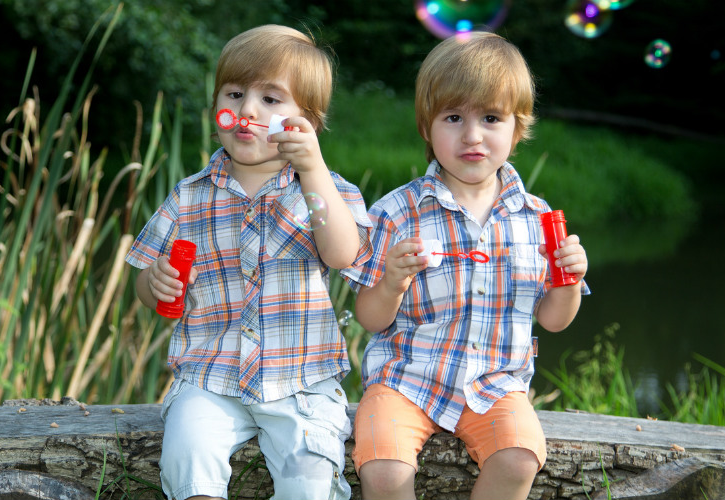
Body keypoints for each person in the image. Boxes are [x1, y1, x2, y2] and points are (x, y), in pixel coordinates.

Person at [125, 25, 372, 500]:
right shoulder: (190, 196)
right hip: (209, 377)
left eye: (271, 100)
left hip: (301, 379)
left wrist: (313, 168)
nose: (248, 111)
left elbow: (342, 253)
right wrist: (152, 282)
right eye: (235, 93)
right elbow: (143, 278)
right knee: (188, 457)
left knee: (311, 479)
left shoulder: (326, 191)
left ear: (309, 123)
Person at [342, 32, 590, 500]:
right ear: (426, 127)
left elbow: (555, 321)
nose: (472, 135)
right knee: (384, 470)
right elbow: (370, 318)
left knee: (518, 457)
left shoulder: (537, 219)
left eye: (491, 118)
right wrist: (392, 281)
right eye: (453, 118)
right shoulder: (397, 212)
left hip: (496, 385)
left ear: (518, 129)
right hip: (404, 381)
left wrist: (569, 280)